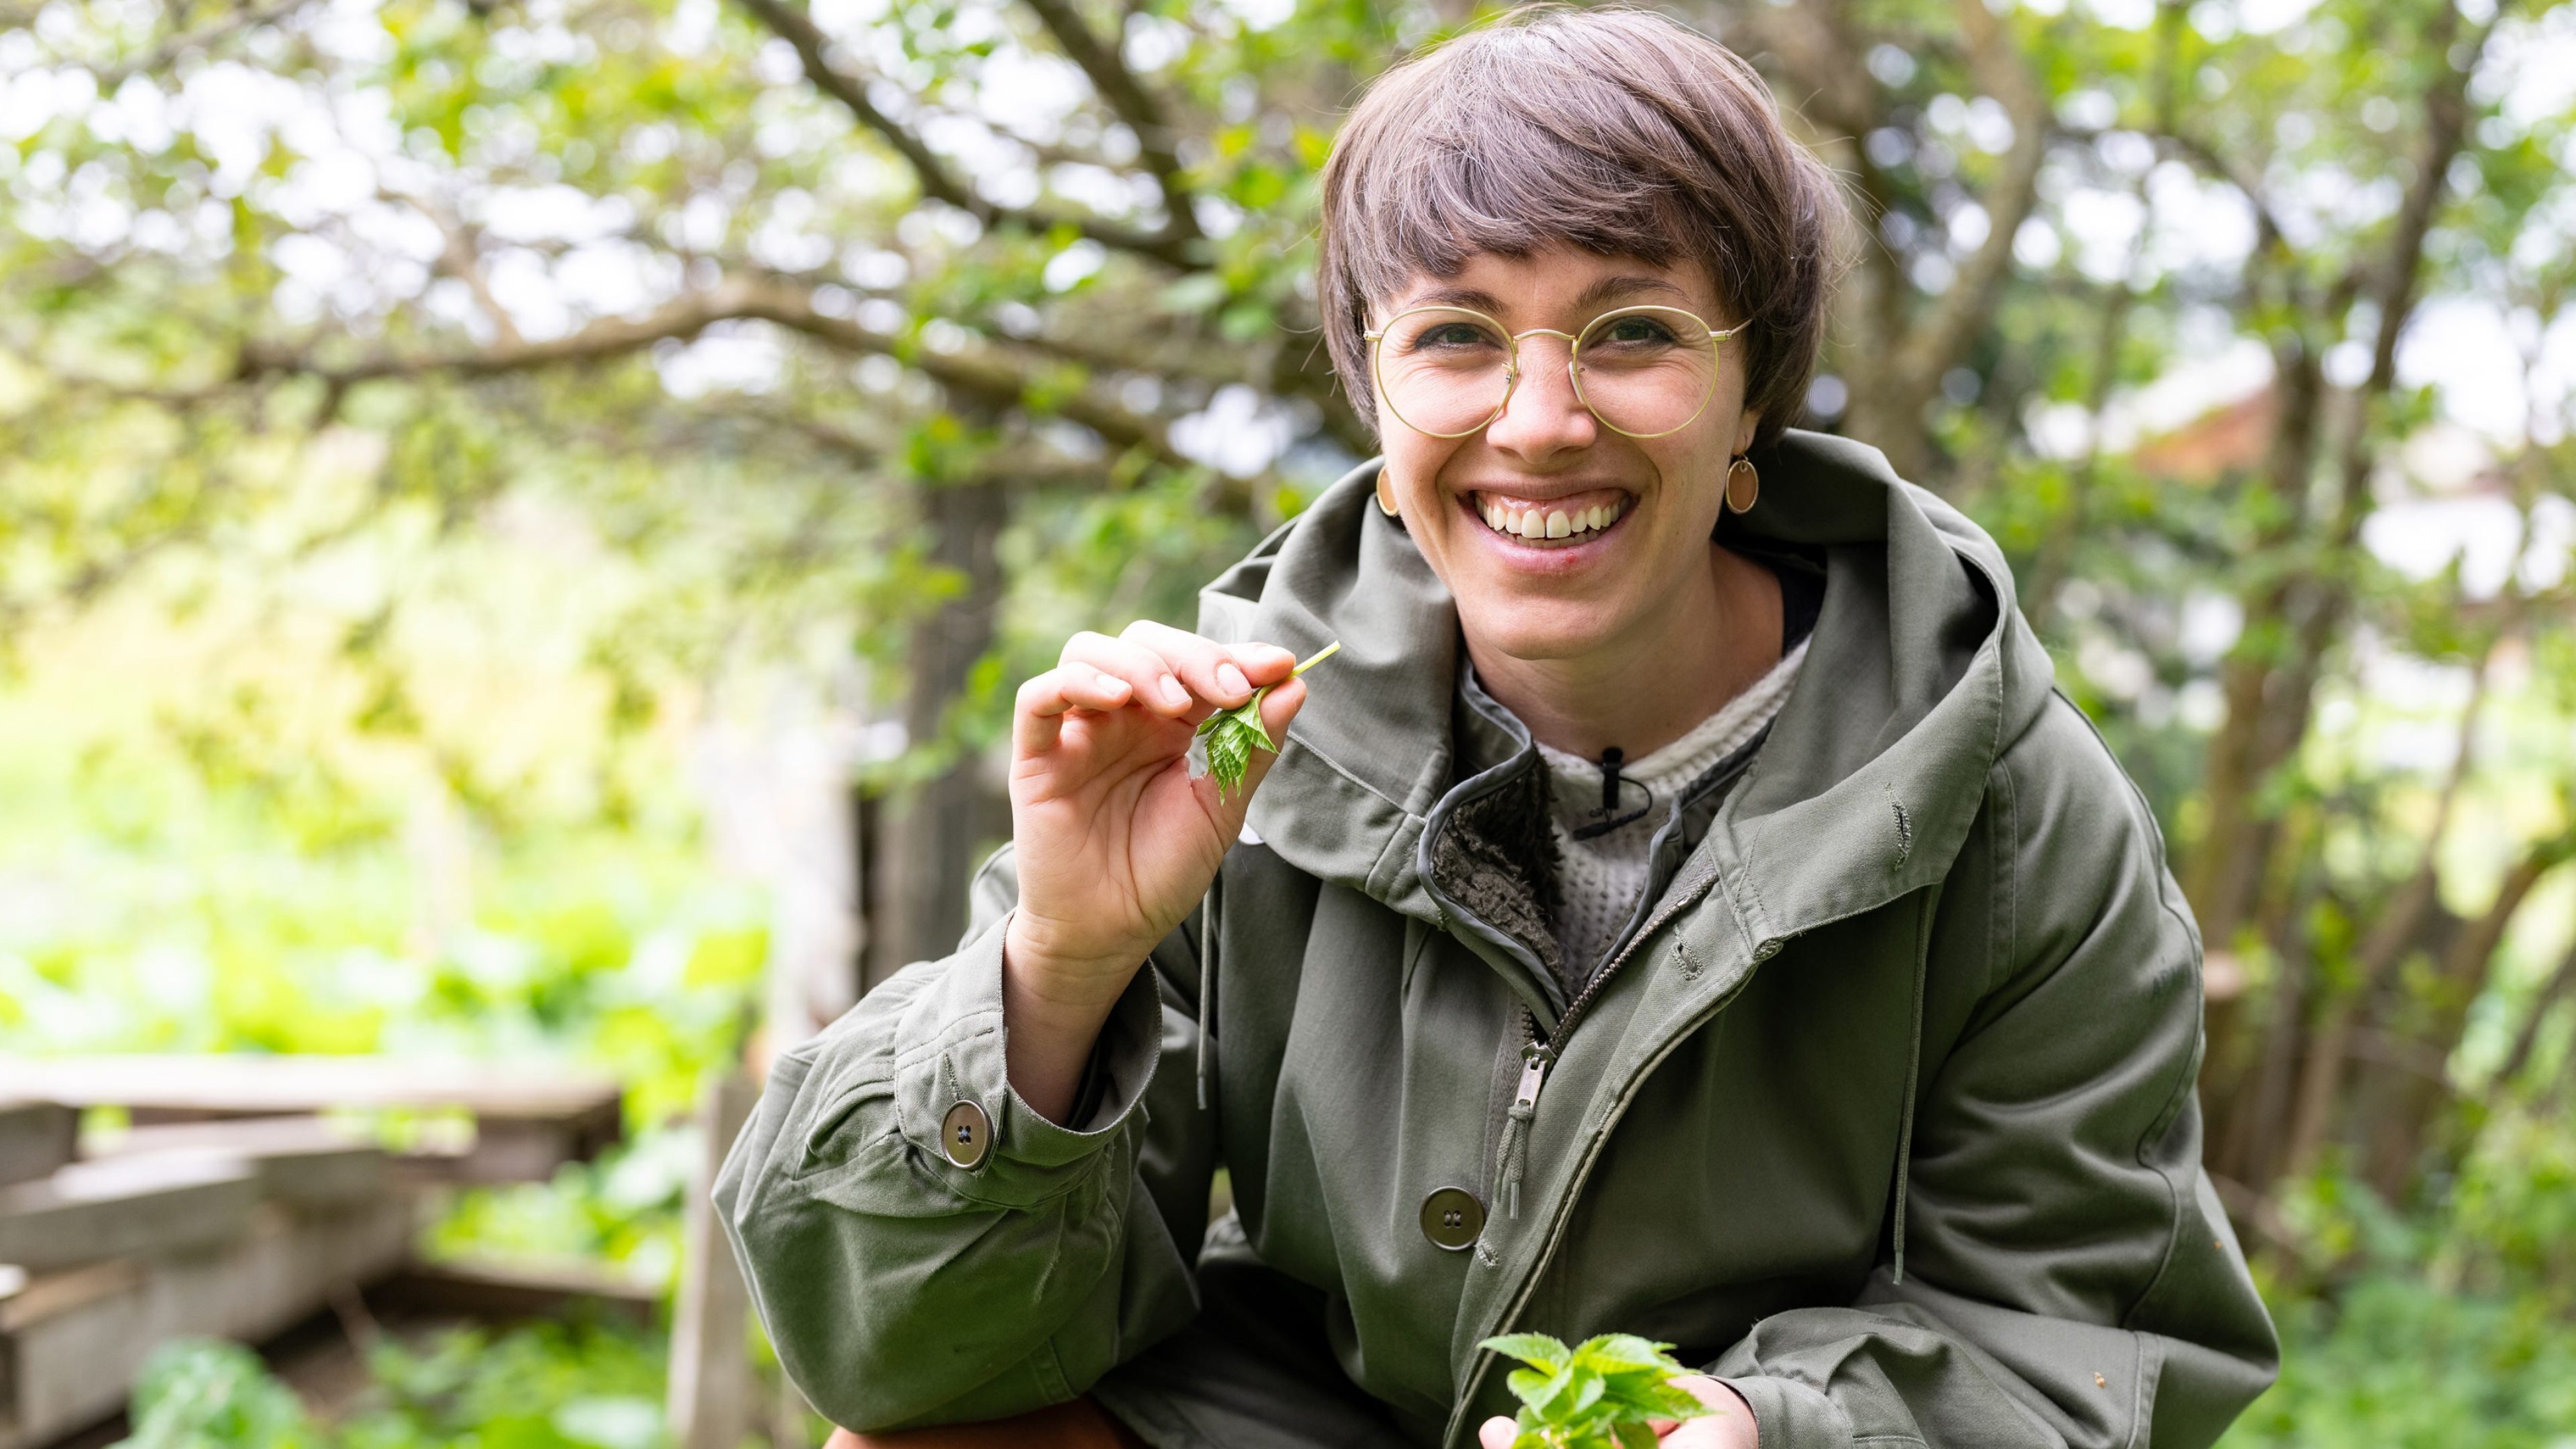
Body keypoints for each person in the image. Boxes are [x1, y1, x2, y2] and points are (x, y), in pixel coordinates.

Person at [714, 8, 2279, 1447]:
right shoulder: (1229, 736)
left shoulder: (2006, 799)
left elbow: (2072, 1347)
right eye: (1457, 336)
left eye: (1637, 333)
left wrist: (1769, 1432)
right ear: (1374, 400)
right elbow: (899, 1355)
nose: (1540, 420)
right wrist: (1058, 967)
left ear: (1757, 400)